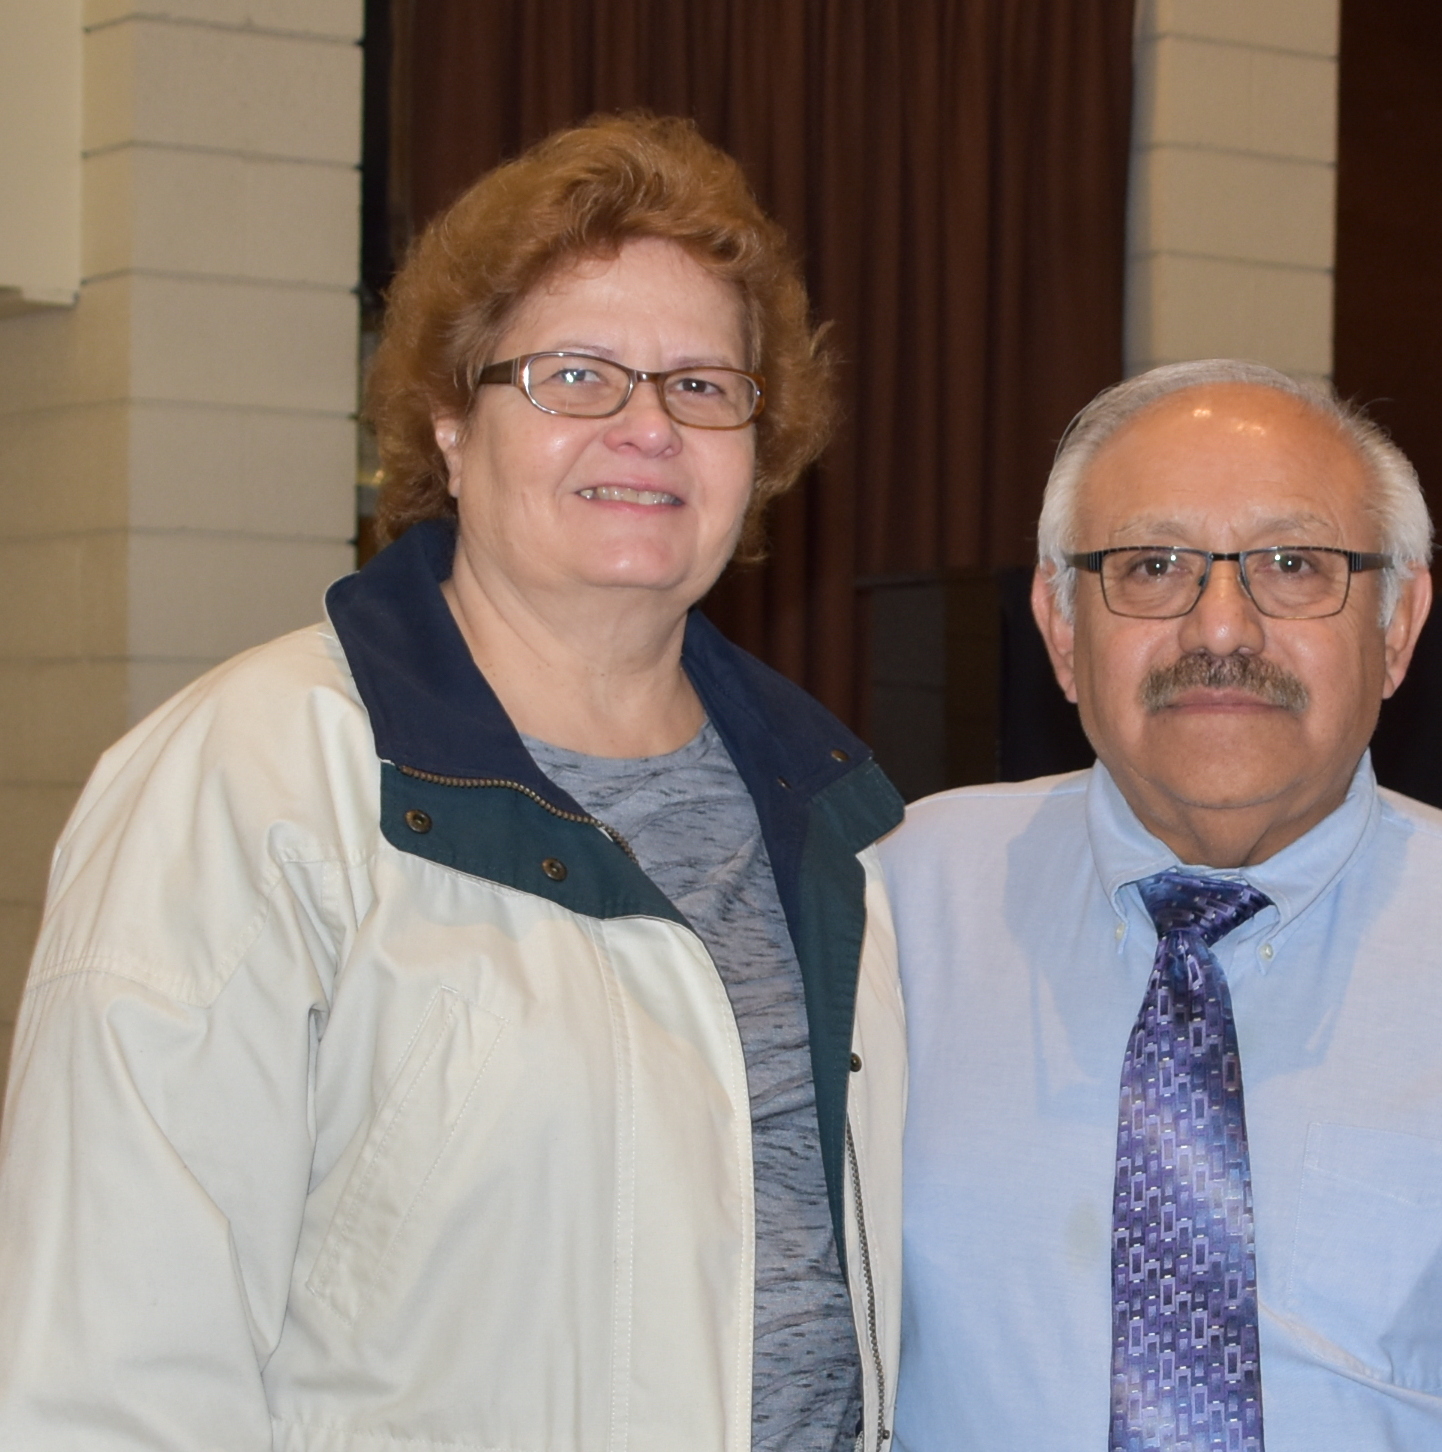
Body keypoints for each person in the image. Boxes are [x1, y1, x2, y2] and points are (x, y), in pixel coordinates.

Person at [0, 114, 905, 1452]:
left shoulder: (838, 810)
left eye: (702, 386)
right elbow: (108, 1375)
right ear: (449, 422)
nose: (647, 428)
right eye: (574, 376)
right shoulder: (252, 782)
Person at [880, 359, 1442, 1450]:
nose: (1221, 629)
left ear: (1396, 625)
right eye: (1152, 566)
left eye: (1293, 565)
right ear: (1061, 628)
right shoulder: (894, 911)